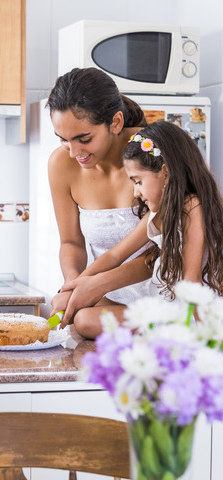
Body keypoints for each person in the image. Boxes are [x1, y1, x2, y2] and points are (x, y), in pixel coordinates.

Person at [61, 120, 223, 338]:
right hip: (162, 308)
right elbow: (115, 255)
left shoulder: (193, 206)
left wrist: (209, 336)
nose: (136, 192)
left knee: (84, 320)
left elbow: (191, 281)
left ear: (165, 173)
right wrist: (72, 289)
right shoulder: (158, 214)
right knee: (83, 306)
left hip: (184, 314)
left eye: (138, 181)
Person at [47, 67, 153, 327]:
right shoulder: (61, 164)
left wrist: (93, 283)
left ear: (115, 122)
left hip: (167, 300)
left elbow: (167, 250)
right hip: (109, 302)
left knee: (85, 322)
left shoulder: (154, 155)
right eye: (63, 139)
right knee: (83, 321)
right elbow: (71, 242)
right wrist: (72, 284)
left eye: (84, 138)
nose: (73, 152)